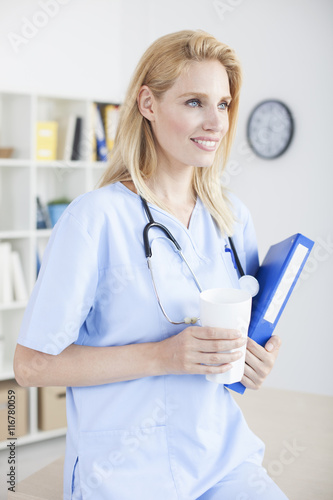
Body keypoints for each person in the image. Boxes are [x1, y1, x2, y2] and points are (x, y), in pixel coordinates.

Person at [14, 30, 288, 500]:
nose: (215, 122)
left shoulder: (230, 216)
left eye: (222, 104)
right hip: (124, 474)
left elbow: (244, 332)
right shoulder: (93, 218)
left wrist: (258, 358)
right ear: (147, 103)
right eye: (194, 102)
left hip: (221, 460)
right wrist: (163, 356)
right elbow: (31, 366)